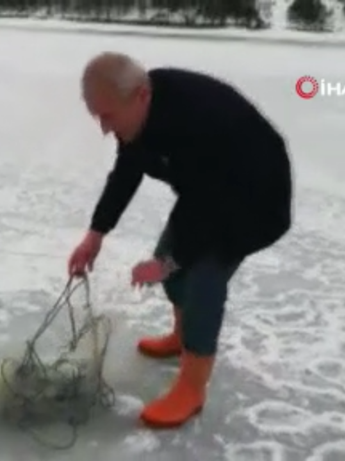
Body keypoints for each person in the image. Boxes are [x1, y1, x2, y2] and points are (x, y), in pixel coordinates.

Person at [67, 52, 293, 429]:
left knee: (201, 280)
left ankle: (192, 387)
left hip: (253, 200)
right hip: (204, 194)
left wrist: (168, 264)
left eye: (108, 116)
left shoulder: (196, 121)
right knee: (170, 269)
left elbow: (206, 219)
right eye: (97, 117)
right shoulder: (139, 113)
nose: (104, 128)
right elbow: (128, 170)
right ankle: (181, 335)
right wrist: (96, 235)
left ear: (141, 96)